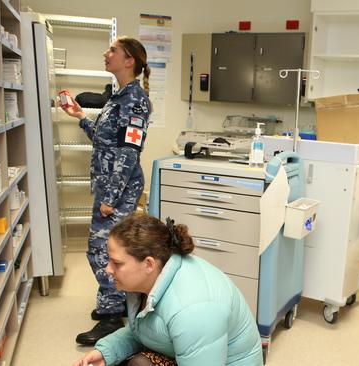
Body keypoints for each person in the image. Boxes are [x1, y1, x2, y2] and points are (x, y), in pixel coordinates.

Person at [72, 213, 264, 366]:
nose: (107, 269)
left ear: (148, 264)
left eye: (116, 263)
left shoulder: (193, 308)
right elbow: (144, 331)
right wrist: (105, 353)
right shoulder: (149, 278)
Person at [61, 36, 152, 345]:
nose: (106, 53)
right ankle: (111, 304)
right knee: (102, 250)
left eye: (113, 50)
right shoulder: (118, 96)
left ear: (130, 61)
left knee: (104, 253)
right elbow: (107, 141)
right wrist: (82, 119)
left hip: (119, 191)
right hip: (108, 188)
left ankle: (113, 315)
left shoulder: (135, 100)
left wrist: (110, 199)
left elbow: (129, 153)